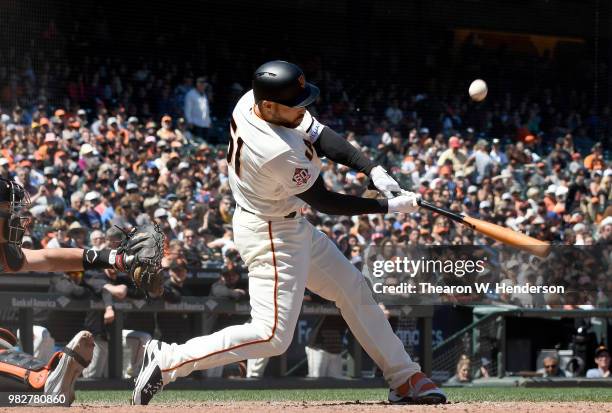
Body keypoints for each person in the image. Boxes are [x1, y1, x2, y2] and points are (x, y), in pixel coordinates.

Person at [133, 60, 445, 405]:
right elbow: (324, 201)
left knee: (352, 288)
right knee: (271, 336)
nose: (303, 112)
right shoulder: (274, 150)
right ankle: (166, 360)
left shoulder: (254, 102)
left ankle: (405, 378)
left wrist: (372, 169)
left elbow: (321, 135)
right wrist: (387, 207)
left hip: (285, 221)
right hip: (270, 232)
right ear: (268, 105)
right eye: (295, 106)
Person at [184, 76, 212, 142]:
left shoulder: (204, 94)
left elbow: (206, 110)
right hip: (195, 124)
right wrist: (189, 121)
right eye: (201, 82)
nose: (203, 84)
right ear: (196, 84)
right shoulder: (190, 94)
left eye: (204, 83)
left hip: (205, 124)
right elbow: (187, 110)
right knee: (198, 145)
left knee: (205, 145)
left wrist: (209, 121)